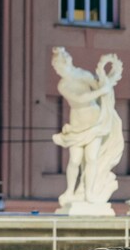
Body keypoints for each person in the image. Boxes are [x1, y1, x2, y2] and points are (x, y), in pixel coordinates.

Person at [51, 47, 124, 207]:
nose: (57, 71)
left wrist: (106, 83)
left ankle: (89, 193)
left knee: (92, 158)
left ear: (66, 63)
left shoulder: (84, 75)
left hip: (95, 124)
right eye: (56, 68)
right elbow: (79, 99)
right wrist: (101, 91)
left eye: (58, 67)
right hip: (77, 126)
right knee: (75, 160)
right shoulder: (62, 85)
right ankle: (70, 191)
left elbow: (99, 87)